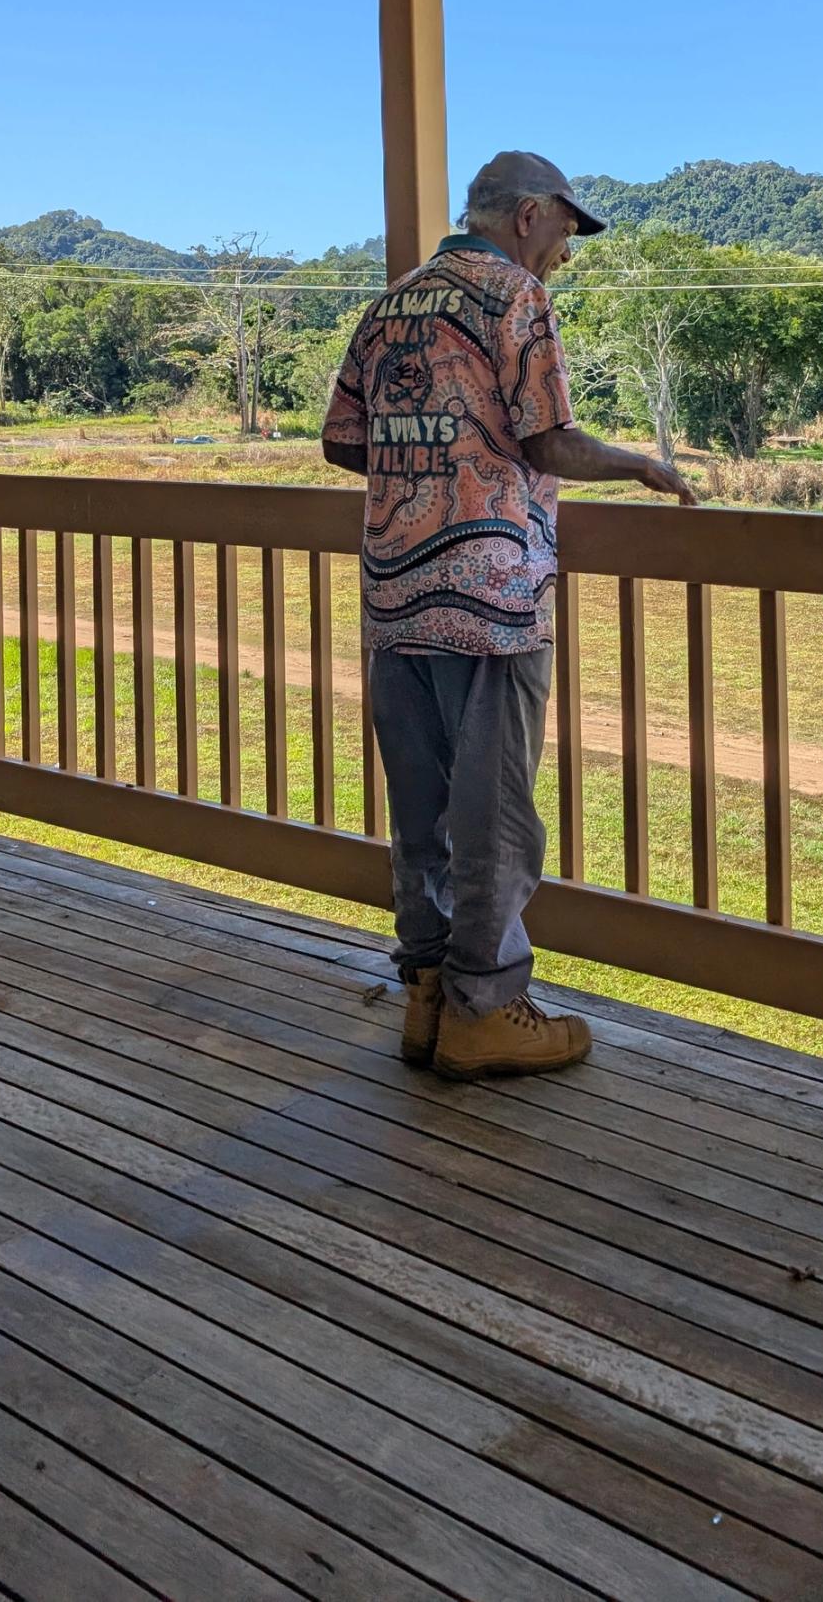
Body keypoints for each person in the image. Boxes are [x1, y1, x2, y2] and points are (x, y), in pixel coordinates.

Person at [322, 150, 696, 1079]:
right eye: (567, 229)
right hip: (492, 596)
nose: (567, 250)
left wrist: (427, 470)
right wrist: (640, 466)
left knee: (421, 808)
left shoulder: (392, 302)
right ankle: (484, 1005)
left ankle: (425, 996)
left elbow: (342, 440)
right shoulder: (515, 299)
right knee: (493, 813)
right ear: (531, 216)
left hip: (394, 592)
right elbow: (548, 437)